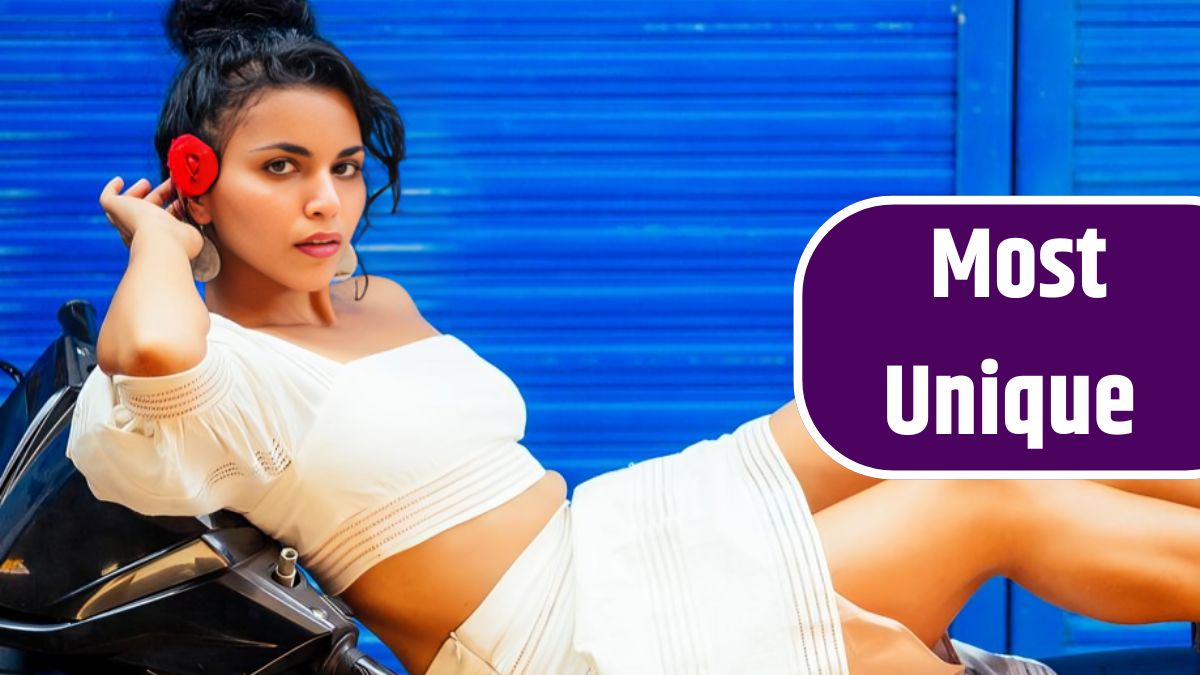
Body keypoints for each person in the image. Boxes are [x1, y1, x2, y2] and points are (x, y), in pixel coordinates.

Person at [64, 2, 1200, 674]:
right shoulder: (204, 368)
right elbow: (152, 354)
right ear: (197, 183)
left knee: (919, 394)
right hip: (557, 639)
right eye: (281, 171)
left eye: (346, 168)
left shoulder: (376, 298)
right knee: (982, 496)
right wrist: (158, 243)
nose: (328, 203)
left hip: (612, 536)